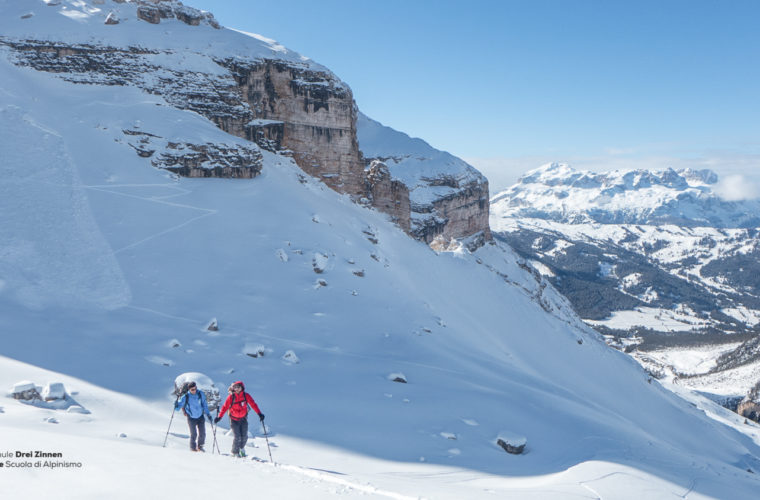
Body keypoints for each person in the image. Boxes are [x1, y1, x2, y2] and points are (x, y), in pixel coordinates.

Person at [214, 381, 264, 457]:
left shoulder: (246, 396)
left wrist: (259, 414)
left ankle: (241, 448)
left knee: (244, 436)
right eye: (235, 387)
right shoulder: (231, 397)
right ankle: (234, 452)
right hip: (234, 420)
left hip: (243, 419)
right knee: (237, 437)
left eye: (238, 387)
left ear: (242, 388)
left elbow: (253, 404)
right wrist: (219, 417)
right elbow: (225, 407)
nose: (236, 389)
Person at [175, 381, 212, 452]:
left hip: (200, 416)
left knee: (202, 433)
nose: (194, 391)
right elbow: (177, 408)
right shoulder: (185, 397)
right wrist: (176, 405)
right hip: (191, 418)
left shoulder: (200, 394)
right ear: (189, 389)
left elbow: (204, 404)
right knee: (194, 434)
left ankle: (200, 447)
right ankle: (193, 448)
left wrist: (208, 414)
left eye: (195, 388)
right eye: (192, 389)